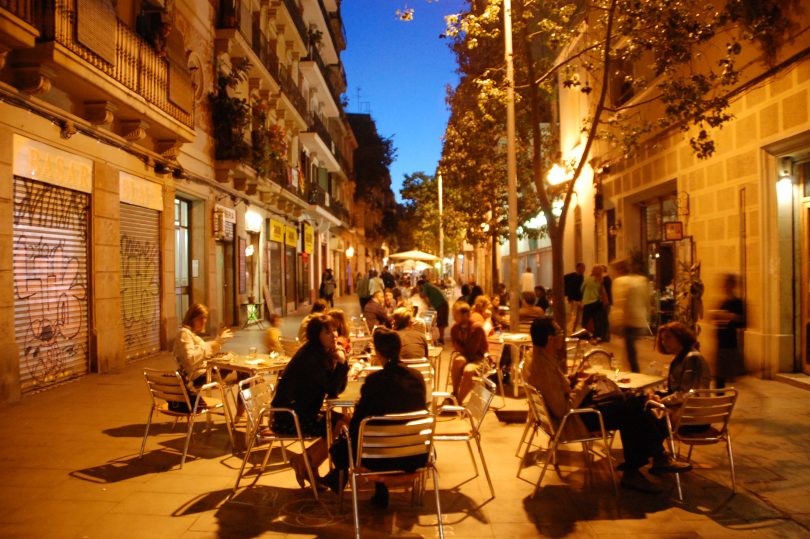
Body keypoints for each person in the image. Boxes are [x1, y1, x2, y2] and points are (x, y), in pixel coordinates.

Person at [523, 318, 691, 494]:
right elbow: (560, 409)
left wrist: (572, 380)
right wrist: (583, 385)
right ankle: (652, 460)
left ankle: (652, 459)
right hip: (573, 420)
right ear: (550, 339)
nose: (562, 337)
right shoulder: (543, 367)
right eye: (559, 333)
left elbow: (556, 390)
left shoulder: (537, 357)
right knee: (634, 407)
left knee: (634, 402)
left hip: (577, 413)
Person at [320, 328, 427, 507]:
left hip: (377, 458)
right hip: (413, 455)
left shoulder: (374, 382)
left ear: (378, 352)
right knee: (378, 433)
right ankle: (376, 490)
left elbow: (357, 423)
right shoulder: (417, 378)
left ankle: (341, 478)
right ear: (399, 348)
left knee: (343, 446)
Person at [271, 314, 349, 489]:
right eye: (327, 332)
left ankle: (303, 462)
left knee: (344, 423)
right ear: (317, 336)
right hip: (288, 417)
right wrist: (342, 364)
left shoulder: (321, 353)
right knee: (338, 425)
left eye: (334, 330)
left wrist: (341, 362)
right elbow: (331, 390)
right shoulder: (310, 358)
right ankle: (309, 465)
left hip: (303, 411)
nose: (334, 335)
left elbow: (336, 390)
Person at [173, 303, 234, 396]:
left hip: (205, 372)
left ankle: (242, 409)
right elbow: (191, 358)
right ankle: (242, 409)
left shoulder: (191, 334)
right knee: (244, 374)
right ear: (192, 318)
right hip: (199, 377)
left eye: (205, 318)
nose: (204, 321)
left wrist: (219, 341)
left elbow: (205, 351)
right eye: (200, 318)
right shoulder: (184, 334)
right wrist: (212, 344)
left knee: (239, 368)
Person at [652, 321, 711, 407]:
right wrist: (658, 395)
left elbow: (687, 393)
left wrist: (661, 401)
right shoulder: (681, 357)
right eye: (662, 339)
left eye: (668, 337)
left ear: (680, 337)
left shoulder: (692, 358)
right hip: (684, 409)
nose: (664, 342)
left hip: (689, 413)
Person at [610, 259, 650, 372]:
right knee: (631, 349)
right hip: (640, 319)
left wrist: (616, 321)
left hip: (628, 320)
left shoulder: (619, 281)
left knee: (630, 350)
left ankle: (634, 372)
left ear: (618, 270)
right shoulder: (642, 280)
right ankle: (631, 369)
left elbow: (620, 302)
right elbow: (647, 301)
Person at [710, 274, 746, 388]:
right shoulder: (722, 301)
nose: (724, 286)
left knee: (723, 374)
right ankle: (720, 397)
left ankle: (722, 399)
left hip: (730, 342)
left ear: (732, 285)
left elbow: (742, 322)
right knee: (719, 376)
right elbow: (715, 318)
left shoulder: (737, 302)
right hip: (720, 342)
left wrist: (729, 316)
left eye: (727, 283)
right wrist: (715, 317)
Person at [450, 301, 488, 403]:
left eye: (455, 314)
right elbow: (456, 346)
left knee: (468, 371)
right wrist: (461, 348)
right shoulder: (455, 328)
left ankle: (458, 401)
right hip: (467, 356)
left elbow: (471, 350)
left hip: (480, 359)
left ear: (466, 315)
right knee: (458, 360)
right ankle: (454, 393)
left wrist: (460, 346)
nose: (453, 317)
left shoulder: (476, 328)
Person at [419, 279, 449, 345]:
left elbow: (423, 295)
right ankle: (441, 338)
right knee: (440, 322)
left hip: (442, 304)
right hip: (442, 303)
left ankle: (441, 339)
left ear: (420, 285)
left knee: (441, 322)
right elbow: (428, 302)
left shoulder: (425, 286)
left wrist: (419, 293)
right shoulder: (429, 286)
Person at [580, 265, 606, 339]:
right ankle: (596, 337)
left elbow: (581, 289)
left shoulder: (587, 279)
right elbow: (601, 292)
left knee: (585, 320)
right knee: (597, 321)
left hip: (587, 303)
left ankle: (584, 336)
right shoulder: (600, 280)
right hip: (597, 303)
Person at [564, 262, 586, 333]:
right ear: (577, 268)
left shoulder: (581, 277)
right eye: (582, 267)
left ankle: (572, 330)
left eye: (584, 268)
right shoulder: (573, 276)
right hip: (574, 299)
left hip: (579, 299)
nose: (583, 269)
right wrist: (568, 294)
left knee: (577, 317)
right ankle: (570, 330)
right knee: (574, 316)